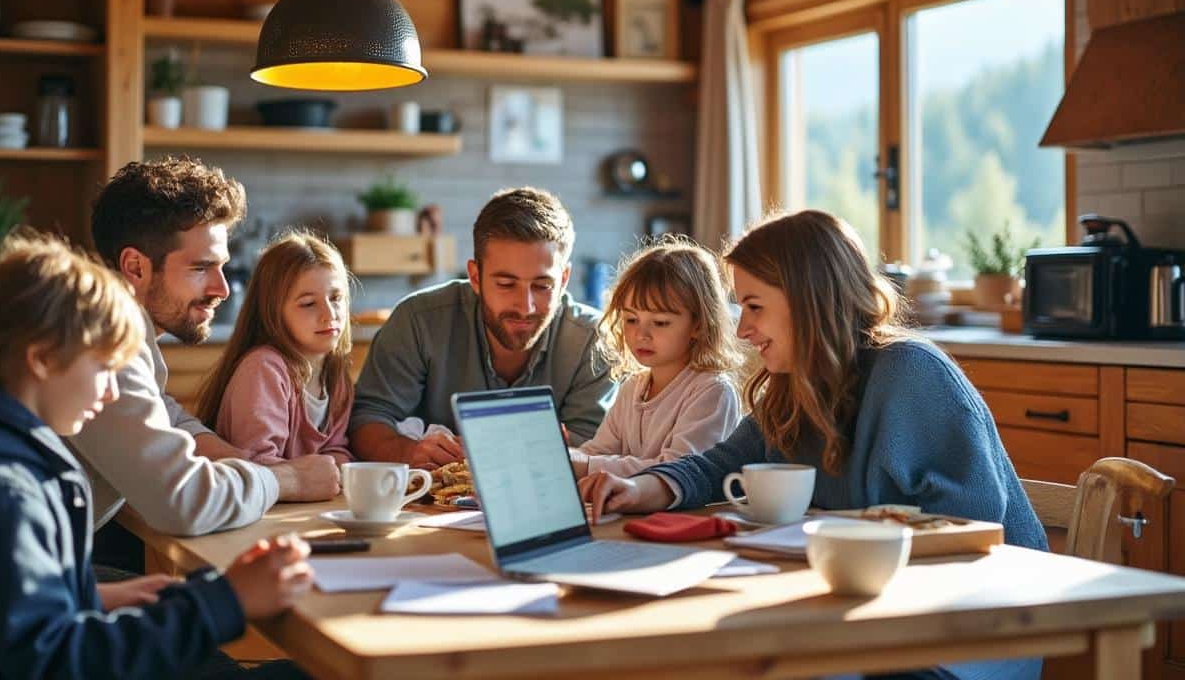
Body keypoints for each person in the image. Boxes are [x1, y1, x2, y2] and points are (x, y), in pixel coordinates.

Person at [579, 210, 1044, 680]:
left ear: (809, 301)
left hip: (978, 625)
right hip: (865, 614)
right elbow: (720, 465)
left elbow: (970, 532)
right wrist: (641, 488)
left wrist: (840, 551)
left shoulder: (912, 374)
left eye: (755, 307)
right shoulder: (792, 387)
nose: (742, 330)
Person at [0, 235, 314, 678]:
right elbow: (54, 662)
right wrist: (224, 600)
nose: (113, 392)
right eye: (104, 368)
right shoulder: (1, 493)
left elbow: (9, 611)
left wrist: (93, 597)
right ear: (42, 359)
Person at [72, 157, 339, 551]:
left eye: (222, 267)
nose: (223, 289)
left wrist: (254, 468)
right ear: (135, 267)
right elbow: (182, 503)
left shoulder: (113, 328)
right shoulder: (102, 344)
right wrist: (290, 480)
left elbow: (169, 418)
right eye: (201, 268)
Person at [350, 187, 616, 468]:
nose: (525, 306)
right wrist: (407, 452)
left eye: (542, 286)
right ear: (475, 277)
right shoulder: (418, 320)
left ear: (563, 279)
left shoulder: (593, 340)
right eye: (505, 284)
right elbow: (367, 418)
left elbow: (593, 448)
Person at [568, 238, 741, 478]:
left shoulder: (712, 392)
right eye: (631, 319)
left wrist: (585, 464)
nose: (641, 334)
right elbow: (597, 452)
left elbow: (677, 472)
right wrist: (566, 458)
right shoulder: (632, 388)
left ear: (699, 325)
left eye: (659, 323)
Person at [197, 231, 353, 469]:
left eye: (336, 298)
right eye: (309, 304)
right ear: (272, 311)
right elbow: (257, 464)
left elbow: (336, 449)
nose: (329, 315)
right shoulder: (264, 369)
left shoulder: (335, 375)